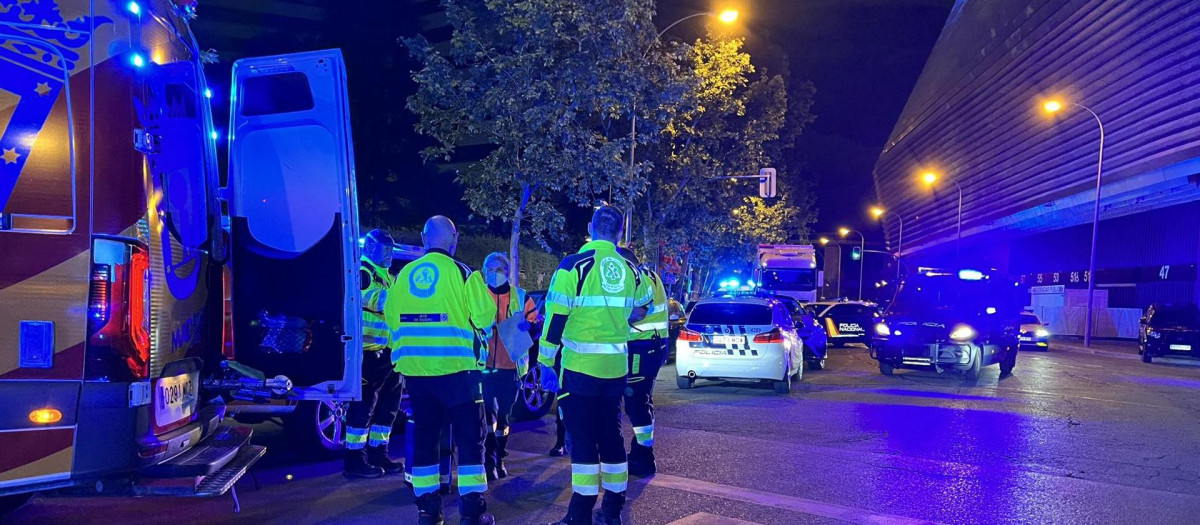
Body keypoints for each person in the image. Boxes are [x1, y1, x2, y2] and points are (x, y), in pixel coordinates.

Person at [537, 206, 653, 525]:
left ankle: (579, 515)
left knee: (584, 440)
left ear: (590, 227)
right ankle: (613, 511)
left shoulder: (573, 265)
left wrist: (545, 362)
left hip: (579, 369)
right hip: (615, 369)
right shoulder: (630, 267)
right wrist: (624, 317)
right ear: (619, 232)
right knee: (612, 437)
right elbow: (646, 303)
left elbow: (556, 319)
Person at [385, 216, 497, 525]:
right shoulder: (464, 274)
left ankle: (428, 511)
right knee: (470, 440)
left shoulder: (403, 275)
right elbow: (485, 318)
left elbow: (391, 322)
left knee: (425, 440)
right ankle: (472, 513)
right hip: (459, 375)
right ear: (454, 238)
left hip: (417, 377)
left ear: (423, 238)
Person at [344, 229, 405, 478]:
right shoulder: (363, 272)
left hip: (389, 354)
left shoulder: (386, 276)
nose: (389, 254)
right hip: (368, 354)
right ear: (370, 249)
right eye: (385, 249)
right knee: (363, 407)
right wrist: (402, 297)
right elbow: (371, 300)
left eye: (391, 250)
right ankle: (354, 461)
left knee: (388, 407)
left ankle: (379, 454)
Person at [480, 252, 539, 481]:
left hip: (510, 368)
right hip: (483, 367)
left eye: (498, 270)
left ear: (506, 272)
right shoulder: (478, 295)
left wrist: (529, 327)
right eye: (490, 269)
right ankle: (488, 461)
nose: (494, 274)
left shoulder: (521, 297)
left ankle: (499, 455)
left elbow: (536, 325)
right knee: (486, 416)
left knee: (503, 419)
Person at [624, 264, 670, 477]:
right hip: (652, 345)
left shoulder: (637, 277)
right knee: (642, 400)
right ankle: (640, 452)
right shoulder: (649, 274)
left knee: (637, 403)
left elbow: (637, 314)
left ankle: (643, 456)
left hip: (640, 346)